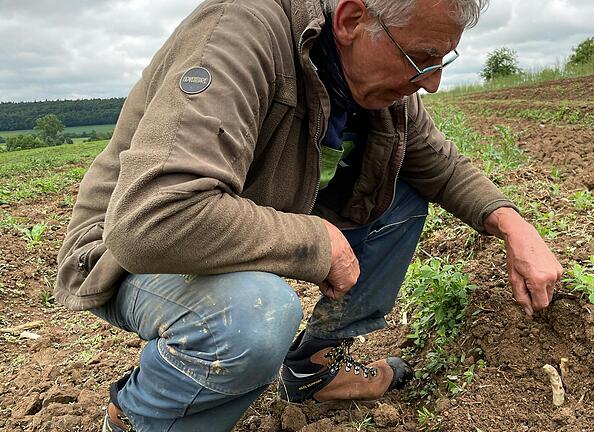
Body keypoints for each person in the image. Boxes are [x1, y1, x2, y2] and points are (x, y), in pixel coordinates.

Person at [55, 0, 563, 430]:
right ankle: (138, 417)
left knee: (401, 191)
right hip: (124, 249)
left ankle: (315, 369)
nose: (429, 82)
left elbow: (439, 166)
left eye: (441, 60)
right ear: (350, 19)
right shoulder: (238, 35)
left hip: (229, 224)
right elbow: (154, 219)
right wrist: (315, 241)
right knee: (253, 318)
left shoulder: (371, 80)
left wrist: (515, 228)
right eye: (422, 58)